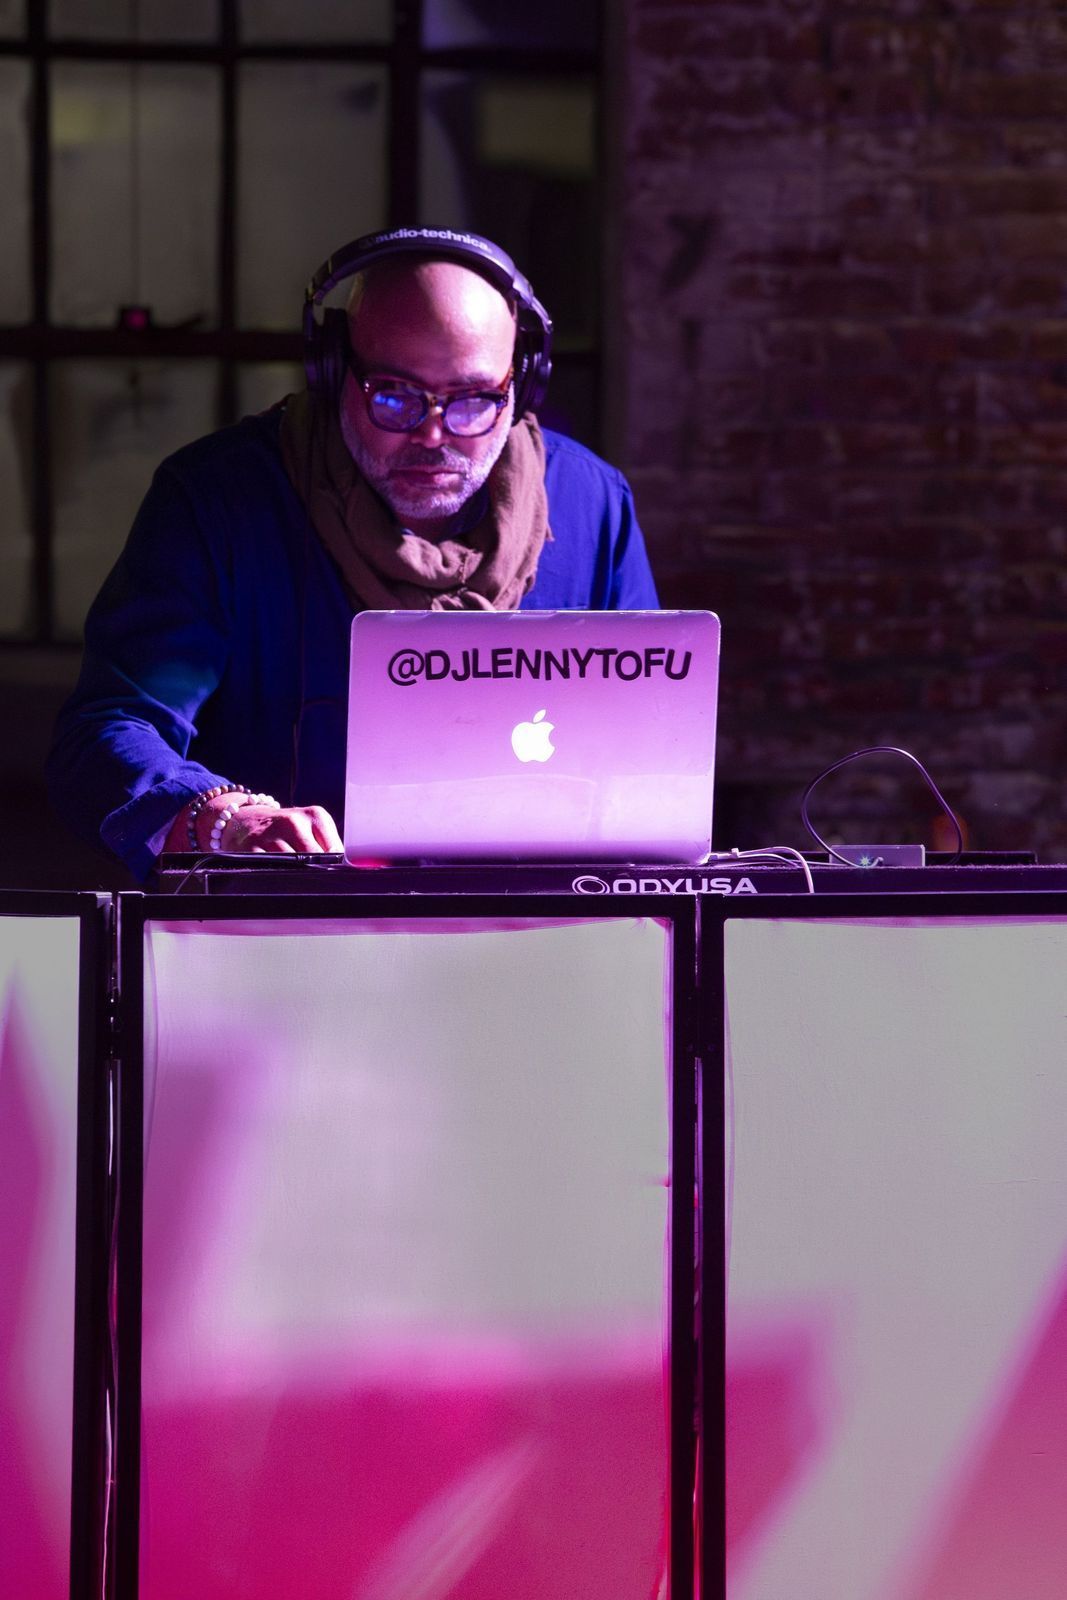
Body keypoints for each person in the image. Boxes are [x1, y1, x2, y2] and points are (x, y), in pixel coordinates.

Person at [47, 227, 658, 880]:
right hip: (282, 940)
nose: (432, 435)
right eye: (393, 395)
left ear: (519, 388)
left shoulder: (591, 504)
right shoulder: (216, 500)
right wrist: (218, 817)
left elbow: (647, 747)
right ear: (333, 371)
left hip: (534, 933)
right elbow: (111, 728)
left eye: (474, 402)